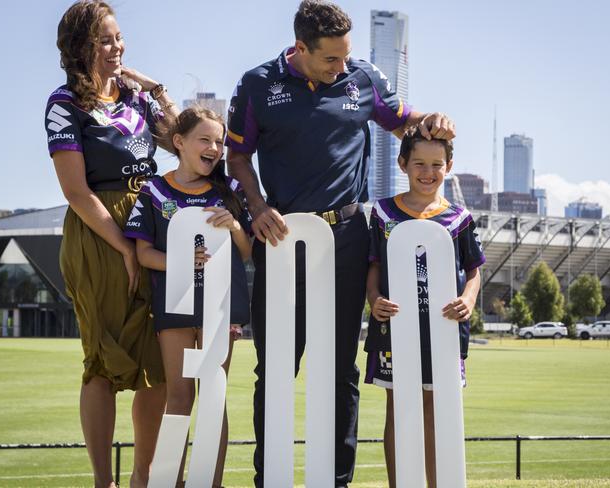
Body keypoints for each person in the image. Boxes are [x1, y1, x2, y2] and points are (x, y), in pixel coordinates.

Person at [225, 1, 455, 486]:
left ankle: (337, 480)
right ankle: (271, 478)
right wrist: (257, 207)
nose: (342, 67)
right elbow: (238, 157)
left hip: (348, 238)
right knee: (277, 369)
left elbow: (406, 122)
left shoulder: (363, 77)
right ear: (300, 48)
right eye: (331, 59)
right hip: (282, 238)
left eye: (346, 56)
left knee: (341, 372)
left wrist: (435, 119)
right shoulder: (256, 84)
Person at [45, 2, 179, 486]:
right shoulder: (64, 104)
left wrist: (157, 90)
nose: (116, 47)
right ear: (80, 48)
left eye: (118, 37)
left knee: (159, 362)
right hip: (100, 234)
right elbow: (75, 191)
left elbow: (190, 143)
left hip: (152, 226)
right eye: (104, 40)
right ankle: (106, 481)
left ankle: (145, 477)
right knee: (101, 362)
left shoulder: (136, 100)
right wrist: (125, 247)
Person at [124, 107, 252, 488]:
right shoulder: (154, 190)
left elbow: (245, 253)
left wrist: (233, 227)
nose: (214, 148)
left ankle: (211, 482)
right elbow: (144, 254)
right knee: (179, 397)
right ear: (179, 143)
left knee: (214, 397)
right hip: (175, 304)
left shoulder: (230, 190)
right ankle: (169, 481)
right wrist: (182, 260)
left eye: (219, 141)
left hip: (221, 304)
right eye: (205, 139)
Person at [364, 128, 485, 487]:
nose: (427, 172)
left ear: (449, 166)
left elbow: (474, 270)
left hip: (442, 330)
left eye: (436, 164)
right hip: (395, 327)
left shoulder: (458, 218)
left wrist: (467, 300)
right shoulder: (383, 213)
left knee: (434, 410)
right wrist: (373, 300)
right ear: (403, 164)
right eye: (419, 163)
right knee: (399, 409)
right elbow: (372, 266)